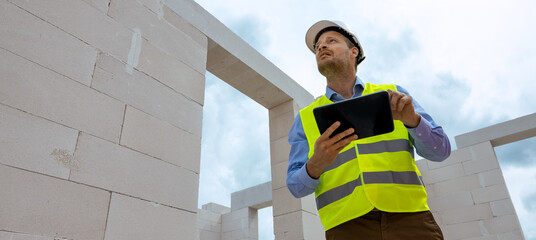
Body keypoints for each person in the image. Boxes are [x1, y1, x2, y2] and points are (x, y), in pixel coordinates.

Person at [286, 20, 451, 239]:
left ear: (354, 51)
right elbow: (295, 187)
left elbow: (440, 151)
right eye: (318, 47)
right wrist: (316, 164)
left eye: (331, 41)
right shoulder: (305, 118)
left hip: (411, 220)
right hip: (346, 227)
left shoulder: (394, 95)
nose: (321, 47)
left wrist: (412, 120)